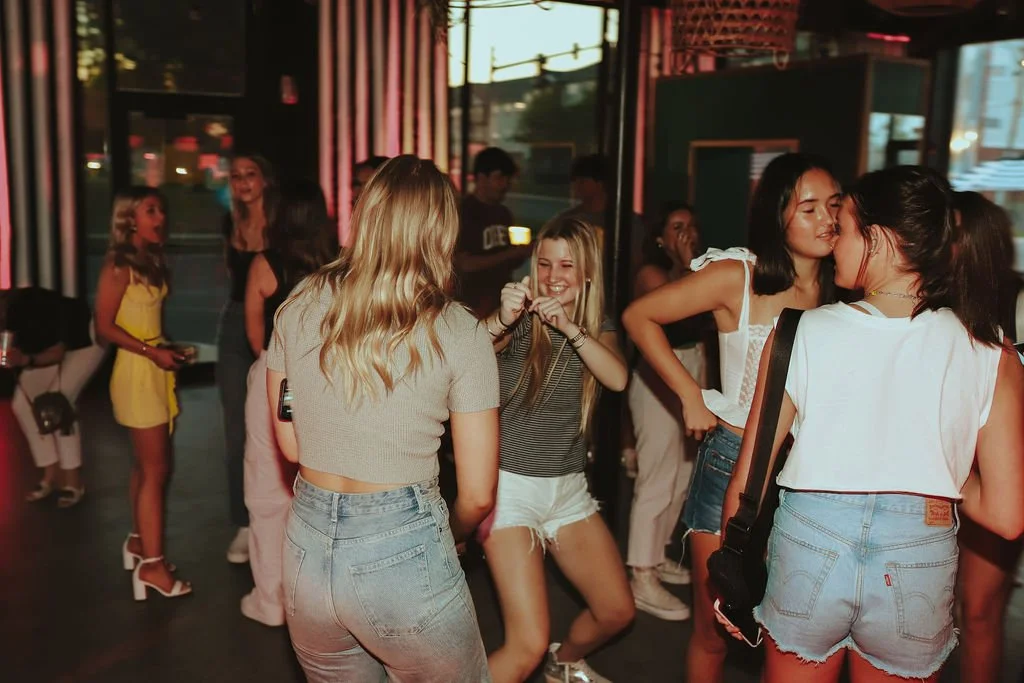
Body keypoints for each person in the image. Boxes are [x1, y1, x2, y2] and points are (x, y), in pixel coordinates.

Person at [717, 166, 1024, 682]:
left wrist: (731, 583)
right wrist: (933, 470)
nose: (834, 242)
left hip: (810, 546)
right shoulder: (991, 351)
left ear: (877, 240)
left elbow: (750, 480)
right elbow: (1007, 515)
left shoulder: (799, 332)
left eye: (845, 229)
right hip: (917, 556)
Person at [267, 155, 499, 682]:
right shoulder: (460, 332)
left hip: (306, 551)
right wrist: (454, 533)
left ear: (365, 214)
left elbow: (292, 445)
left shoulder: (300, 302)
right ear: (441, 228)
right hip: (402, 548)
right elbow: (480, 493)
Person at [622, 153, 840, 683]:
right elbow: (638, 315)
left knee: (789, 637)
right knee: (714, 629)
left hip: (809, 477)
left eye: (833, 205)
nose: (826, 219)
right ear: (777, 215)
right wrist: (690, 396)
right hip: (730, 465)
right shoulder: (736, 276)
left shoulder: (845, 289)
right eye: (808, 208)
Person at [480, 218, 633, 683]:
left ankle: (563, 662)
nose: (553, 275)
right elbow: (466, 353)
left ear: (587, 272)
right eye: (544, 263)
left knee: (616, 611)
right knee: (524, 645)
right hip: (510, 493)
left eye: (567, 264)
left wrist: (569, 326)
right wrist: (498, 319)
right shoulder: (519, 321)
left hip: (567, 493)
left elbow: (618, 377)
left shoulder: (595, 327)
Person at [240, 179, 339, 627]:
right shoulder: (339, 265)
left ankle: (272, 602)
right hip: (330, 377)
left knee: (266, 488)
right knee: (323, 485)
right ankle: (319, 595)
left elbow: (256, 338)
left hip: (276, 380)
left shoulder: (266, 264)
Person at [94, 186, 191, 600]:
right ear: (130, 218)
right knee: (156, 471)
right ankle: (152, 568)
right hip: (137, 372)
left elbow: (142, 320)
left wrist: (164, 348)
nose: (160, 217)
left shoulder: (149, 260)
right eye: (151, 210)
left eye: (161, 209)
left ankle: (139, 543)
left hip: (152, 367)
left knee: (145, 466)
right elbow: (105, 326)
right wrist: (154, 352)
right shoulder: (119, 264)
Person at [626, 201, 712, 622]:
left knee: (681, 474)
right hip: (659, 375)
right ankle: (639, 574)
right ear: (660, 237)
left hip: (691, 367)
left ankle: (655, 555)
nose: (687, 233)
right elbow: (680, 306)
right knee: (657, 475)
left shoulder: (699, 268)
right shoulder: (651, 272)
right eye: (677, 227)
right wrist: (684, 261)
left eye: (691, 226)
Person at [952, 191, 1024, 683]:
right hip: (941, 469)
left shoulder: (1017, 300)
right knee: (946, 609)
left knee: (978, 609)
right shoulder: (932, 301)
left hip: (997, 470)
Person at [218, 153, 279, 565]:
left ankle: (284, 513)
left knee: (280, 422)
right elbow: (231, 276)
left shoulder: (281, 223)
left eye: (250, 174)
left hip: (278, 320)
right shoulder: (230, 222)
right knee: (236, 428)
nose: (242, 182)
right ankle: (244, 521)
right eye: (236, 176)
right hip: (236, 321)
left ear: (265, 179)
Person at [1, 288, 106, 507]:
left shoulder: (37, 307)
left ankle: (73, 481)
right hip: (45, 349)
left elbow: (57, 352)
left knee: (58, 403)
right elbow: (13, 352)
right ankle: (51, 473)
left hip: (85, 340)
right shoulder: (9, 314)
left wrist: (23, 360)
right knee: (22, 404)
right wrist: (15, 359)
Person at [455, 146, 531, 317]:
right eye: (499, 178)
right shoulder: (463, 212)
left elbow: (506, 260)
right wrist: (512, 254)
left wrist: (521, 253)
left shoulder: (503, 214)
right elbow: (463, 264)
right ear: (481, 178)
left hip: (501, 302)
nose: (505, 185)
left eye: (508, 179)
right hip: (469, 305)